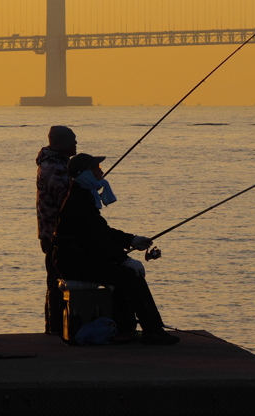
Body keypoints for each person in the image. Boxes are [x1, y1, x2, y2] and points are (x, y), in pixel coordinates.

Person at [53, 153, 180, 345]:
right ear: (85, 174)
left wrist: (133, 240)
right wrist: (125, 260)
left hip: (80, 258)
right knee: (129, 275)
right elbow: (98, 239)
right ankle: (151, 329)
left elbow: (102, 232)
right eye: (96, 168)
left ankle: (125, 328)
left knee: (124, 275)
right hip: (74, 263)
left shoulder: (84, 195)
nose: (101, 171)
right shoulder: (78, 203)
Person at [36, 125, 77, 334]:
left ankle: (56, 327)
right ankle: (54, 329)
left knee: (56, 280)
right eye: (73, 142)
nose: (76, 144)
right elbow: (65, 200)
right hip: (56, 235)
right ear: (62, 145)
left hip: (51, 233)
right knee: (56, 282)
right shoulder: (55, 168)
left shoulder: (57, 164)